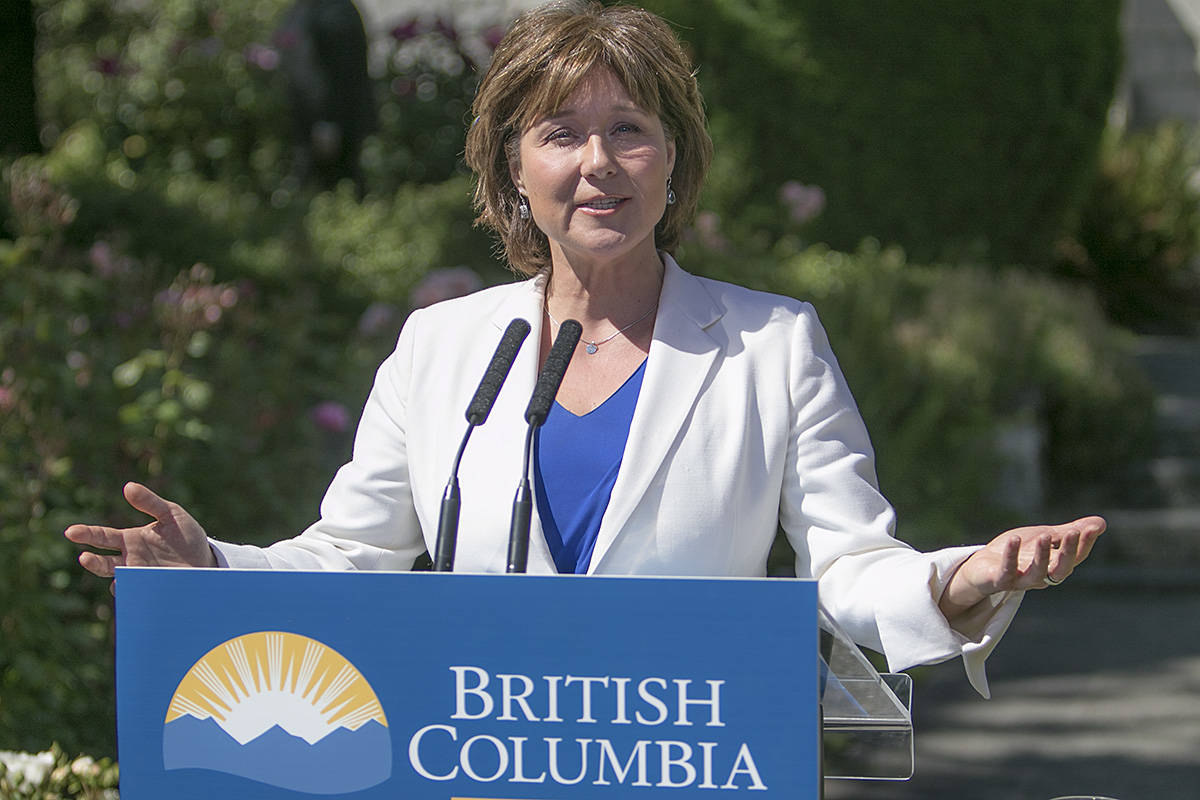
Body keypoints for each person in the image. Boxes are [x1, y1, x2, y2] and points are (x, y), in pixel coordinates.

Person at [65, 0, 1103, 697]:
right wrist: (210, 569)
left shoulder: (772, 343)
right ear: (515, 167)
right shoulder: (443, 347)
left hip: (693, 759)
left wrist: (960, 579)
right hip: (475, 758)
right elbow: (349, 560)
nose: (597, 163)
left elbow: (848, 565)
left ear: (674, 162)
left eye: (630, 130)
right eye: (561, 132)